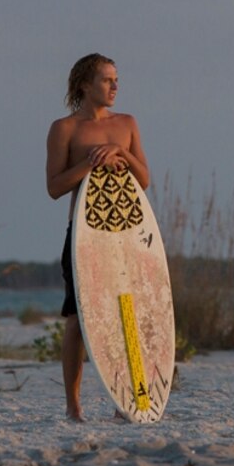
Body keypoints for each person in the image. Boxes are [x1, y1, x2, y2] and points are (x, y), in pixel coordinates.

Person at [45, 53, 150, 422]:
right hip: (84, 237)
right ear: (85, 86)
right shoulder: (65, 129)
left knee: (126, 315)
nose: (115, 86)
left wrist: (121, 152)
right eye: (107, 80)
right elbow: (54, 187)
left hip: (125, 234)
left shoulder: (127, 123)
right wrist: (90, 163)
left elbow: (145, 180)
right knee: (77, 318)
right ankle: (74, 406)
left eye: (116, 79)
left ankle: (129, 398)